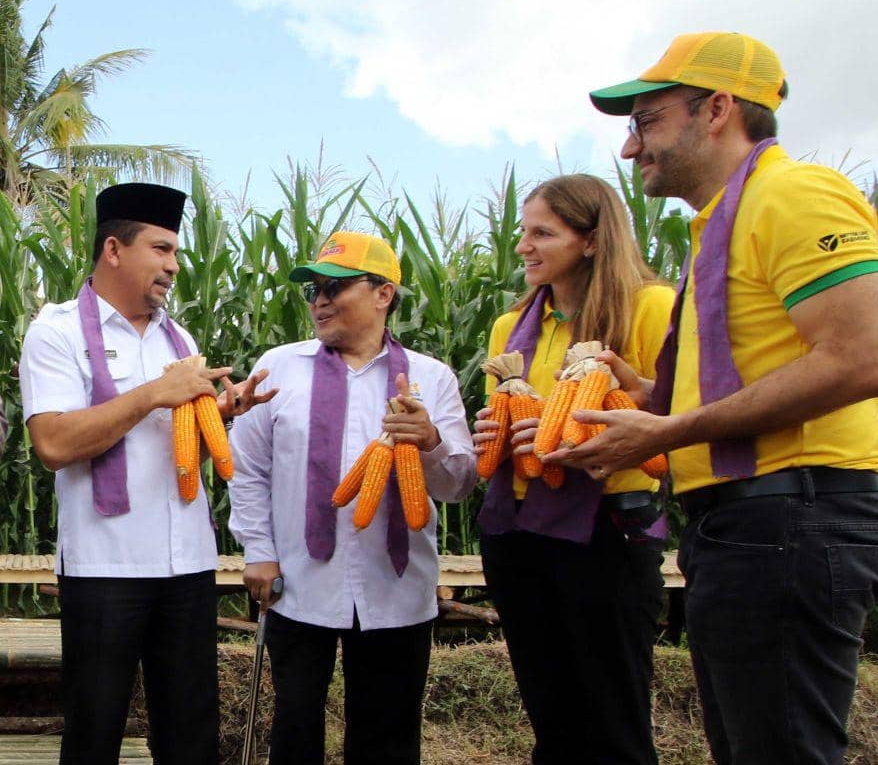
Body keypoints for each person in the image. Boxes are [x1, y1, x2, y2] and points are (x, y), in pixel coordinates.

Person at [558, 31, 878, 764]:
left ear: (716, 109)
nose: (630, 150)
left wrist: (666, 431)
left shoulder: (793, 194)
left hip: (793, 516)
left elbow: (868, 357)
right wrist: (648, 399)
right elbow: (750, 378)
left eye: (646, 122)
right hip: (751, 527)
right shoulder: (719, 225)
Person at [18, 182, 274, 765]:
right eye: (161, 250)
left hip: (186, 565)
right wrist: (156, 392)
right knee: (94, 734)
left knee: (191, 737)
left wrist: (220, 418)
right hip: (104, 568)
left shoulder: (178, 338)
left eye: (176, 254)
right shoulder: (56, 332)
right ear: (113, 249)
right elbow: (54, 443)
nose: (174, 266)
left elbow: (178, 456)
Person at [228, 230, 476, 765]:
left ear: (383, 293)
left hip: (397, 589)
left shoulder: (430, 378)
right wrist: (258, 551)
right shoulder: (279, 368)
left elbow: (458, 485)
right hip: (297, 582)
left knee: (388, 736)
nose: (320, 300)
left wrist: (430, 441)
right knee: (294, 729)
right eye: (313, 289)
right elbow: (248, 471)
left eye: (335, 287)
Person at [474, 174, 675, 765]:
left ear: (591, 240)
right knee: (552, 719)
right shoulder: (510, 328)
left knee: (614, 722)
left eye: (543, 233)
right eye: (523, 232)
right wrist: (498, 432)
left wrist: (583, 426)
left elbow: (681, 415)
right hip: (518, 533)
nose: (524, 246)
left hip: (607, 532)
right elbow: (502, 419)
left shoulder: (650, 308)